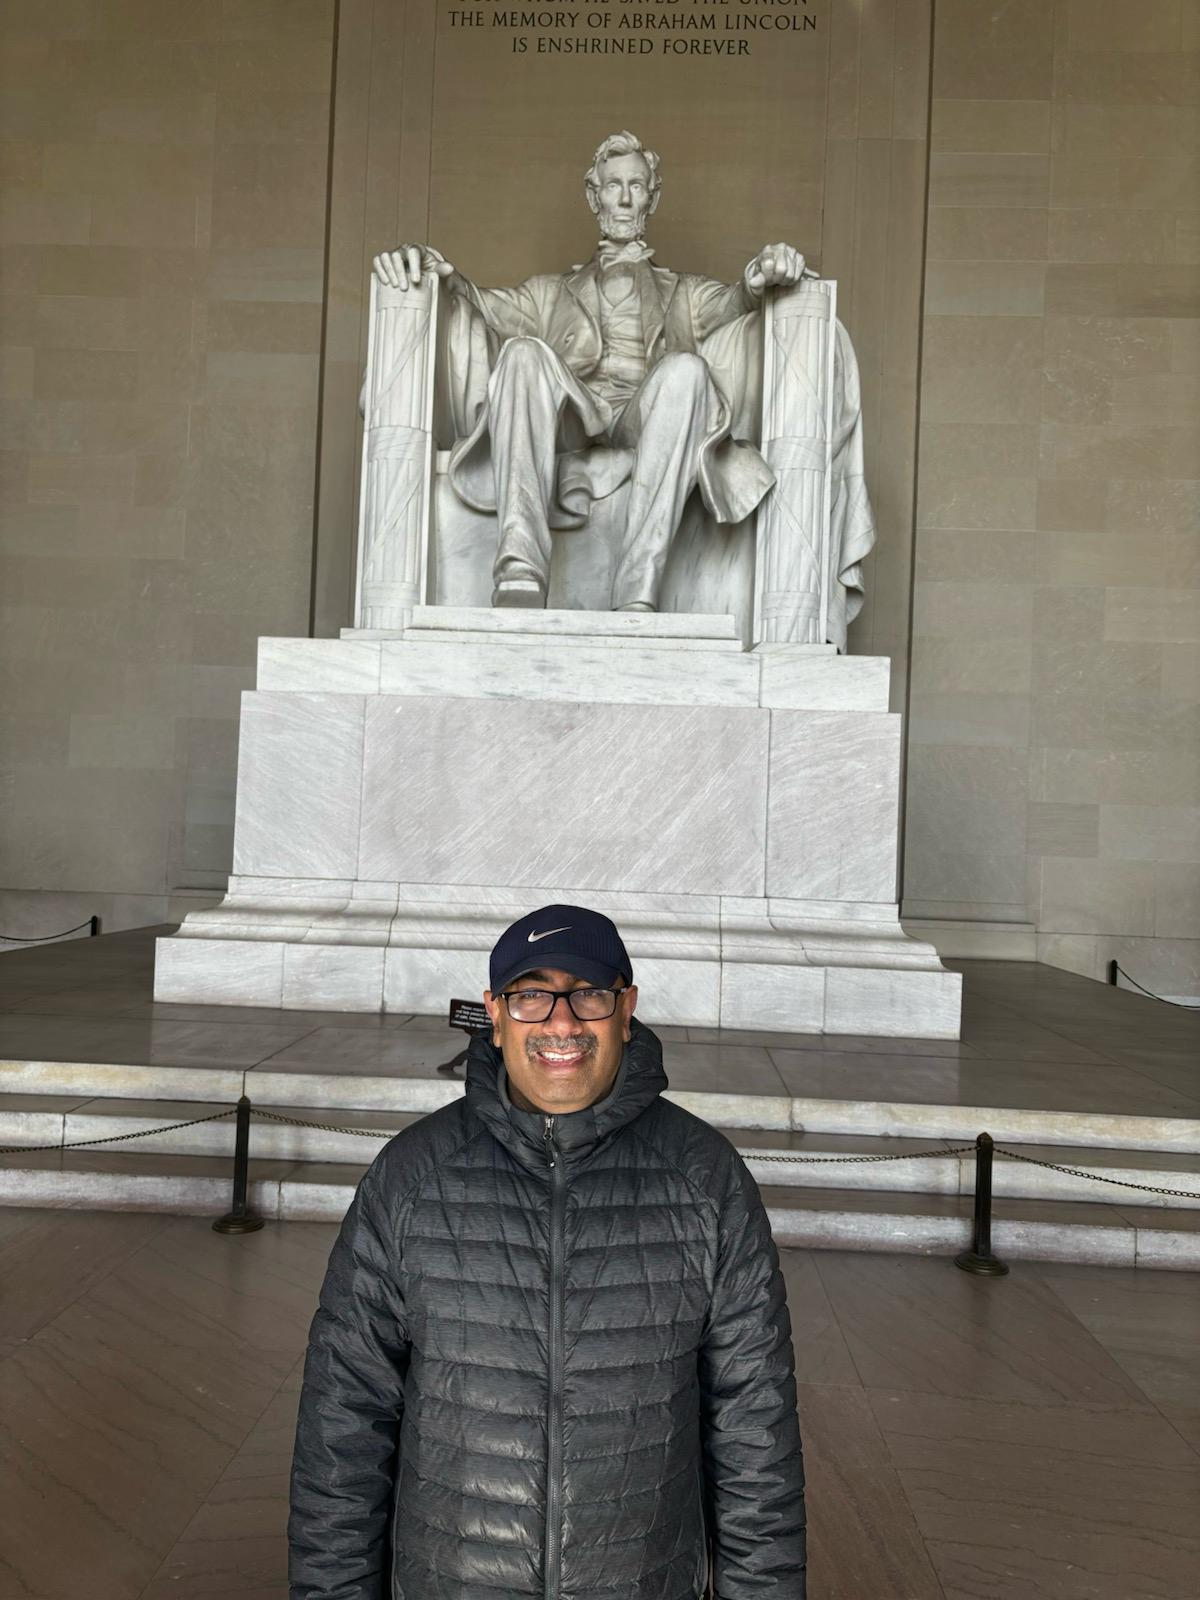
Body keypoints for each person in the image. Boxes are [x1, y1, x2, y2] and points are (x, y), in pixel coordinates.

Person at [289, 902, 806, 1599]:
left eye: (587, 993)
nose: (561, 1023)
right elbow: (344, 1421)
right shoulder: (412, 1177)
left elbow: (755, 1431)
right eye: (531, 995)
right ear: (495, 1015)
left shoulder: (706, 1178)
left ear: (626, 1010)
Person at [372, 130, 807, 612]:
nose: (624, 198)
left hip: (647, 417)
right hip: (574, 415)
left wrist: (762, 274)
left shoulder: (685, 292)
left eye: (637, 186)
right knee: (522, 353)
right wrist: (435, 268)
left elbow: (735, 300)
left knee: (686, 369)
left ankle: (638, 588)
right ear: (593, 195)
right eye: (613, 185)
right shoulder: (549, 293)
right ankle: (520, 569)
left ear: (653, 197)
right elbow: (480, 302)